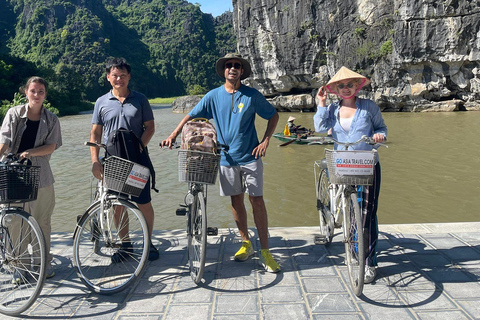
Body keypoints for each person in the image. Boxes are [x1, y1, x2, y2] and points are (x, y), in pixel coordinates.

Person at [162, 53, 281, 273]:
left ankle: (265, 251)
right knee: (236, 201)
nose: (233, 69)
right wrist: (173, 134)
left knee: (257, 201)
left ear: (242, 71)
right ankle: (246, 243)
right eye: (229, 66)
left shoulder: (252, 96)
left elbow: (273, 116)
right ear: (224, 71)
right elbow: (191, 116)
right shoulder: (213, 96)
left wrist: (265, 141)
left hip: (250, 157)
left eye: (237, 66)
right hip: (225, 158)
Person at [314, 66, 387, 284]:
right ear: (335, 89)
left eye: (350, 85)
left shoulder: (368, 107)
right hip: (342, 164)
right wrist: (321, 104)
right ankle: (351, 243)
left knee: (366, 215)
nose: (346, 89)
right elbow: (319, 127)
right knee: (352, 212)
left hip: (366, 165)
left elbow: (382, 129)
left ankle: (368, 262)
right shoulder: (332, 110)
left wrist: (379, 136)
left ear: (357, 86)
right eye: (341, 86)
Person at [90, 57, 159, 262]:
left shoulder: (140, 99)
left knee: (143, 202)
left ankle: (148, 242)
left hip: (137, 161)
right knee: (118, 204)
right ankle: (125, 245)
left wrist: (139, 146)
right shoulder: (101, 102)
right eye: (115, 75)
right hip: (112, 162)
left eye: (123, 75)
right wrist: (95, 161)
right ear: (108, 77)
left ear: (129, 77)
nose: (119, 79)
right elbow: (95, 135)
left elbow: (150, 127)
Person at [0, 76, 62, 282]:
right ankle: (20, 265)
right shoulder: (14, 114)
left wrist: (29, 152)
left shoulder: (51, 119)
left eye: (41, 91)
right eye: (33, 91)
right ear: (25, 92)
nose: (37, 95)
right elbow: (5, 142)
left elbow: (51, 146)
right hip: (13, 176)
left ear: (46, 95)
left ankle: (42, 263)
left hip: (41, 176)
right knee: (14, 222)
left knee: (42, 221)